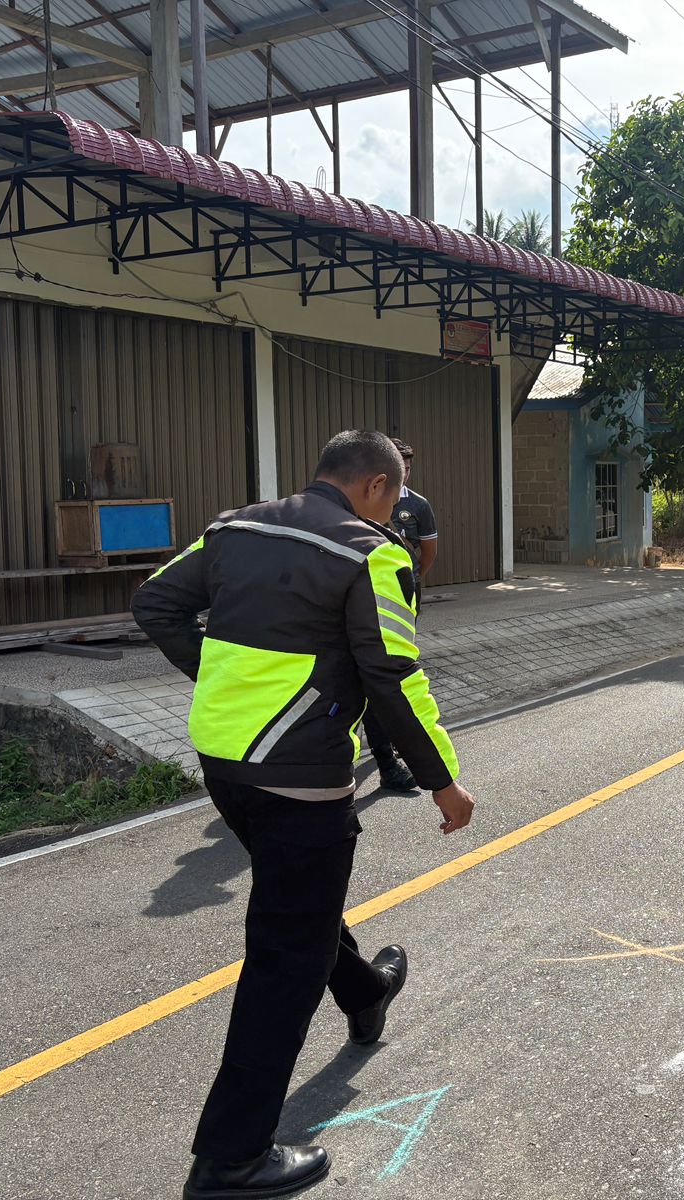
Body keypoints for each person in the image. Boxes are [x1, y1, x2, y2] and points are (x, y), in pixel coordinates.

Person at [132, 430, 475, 1200]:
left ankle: (362, 992)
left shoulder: (234, 527)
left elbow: (154, 600)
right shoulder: (372, 552)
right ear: (380, 488)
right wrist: (443, 778)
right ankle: (232, 1157)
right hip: (301, 775)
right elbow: (393, 674)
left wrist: (219, 675)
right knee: (284, 955)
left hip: (225, 762)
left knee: (301, 903)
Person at [364, 437, 438, 793]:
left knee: (385, 674)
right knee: (377, 680)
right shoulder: (357, 508)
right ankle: (387, 758)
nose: (404, 472)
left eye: (408, 466)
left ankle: (387, 754)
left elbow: (427, 550)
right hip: (362, 604)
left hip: (396, 599)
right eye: (399, 465)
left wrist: (411, 582)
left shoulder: (416, 505)